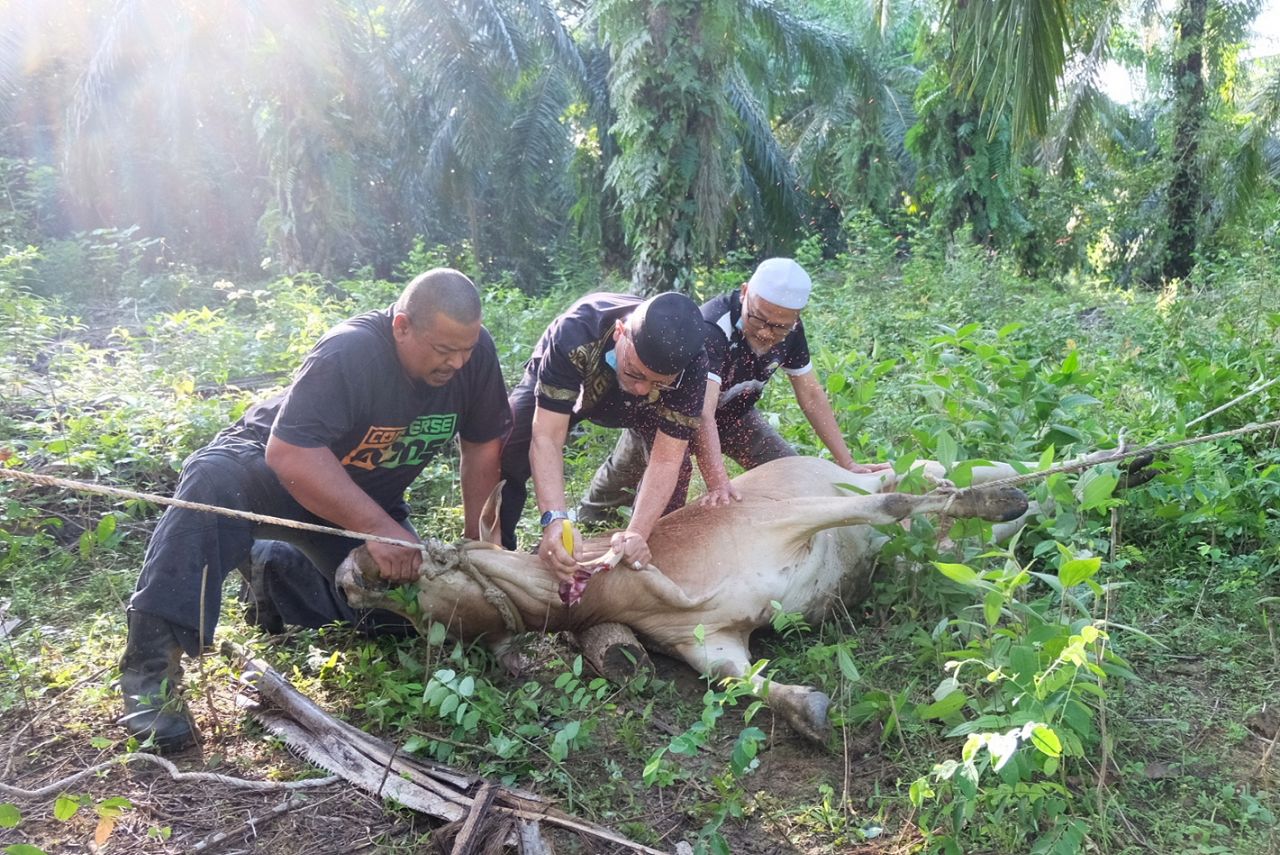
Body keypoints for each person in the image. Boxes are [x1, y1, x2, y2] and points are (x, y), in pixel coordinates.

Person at [119, 268, 512, 751]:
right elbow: (290, 455)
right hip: (269, 474)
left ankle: (275, 569)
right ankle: (150, 674)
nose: (456, 362)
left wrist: (478, 546)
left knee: (402, 620)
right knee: (211, 483)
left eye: (466, 349)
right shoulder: (350, 352)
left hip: (357, 498)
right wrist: (379, 529)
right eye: (442, 350)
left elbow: (482, 449)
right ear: (403, 326)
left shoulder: (474, 356)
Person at [579, 258, 889, 521]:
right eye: (759, 318)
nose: (767, 332)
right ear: (745, 293)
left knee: (790, 471)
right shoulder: (713, 328)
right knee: (660, 484)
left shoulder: (791, 332)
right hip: (672, 413)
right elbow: (702, 413)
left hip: (735, 414)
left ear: (796, 318)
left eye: (779, 326)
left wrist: (847, 463)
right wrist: (718, 481)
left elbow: (810, 395)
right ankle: (597, 523)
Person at [498, 292, 710, 580]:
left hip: (647, 412)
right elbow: (547, 437)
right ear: (621, 333)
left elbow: (666, 460)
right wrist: (554, 519)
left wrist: (638, 531)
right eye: (636, 373)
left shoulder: (693, 364)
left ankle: (638, 567)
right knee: (506, 449)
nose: (642, 389)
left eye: (658, 381)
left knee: (679, 477)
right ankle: (498, 556)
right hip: (577, 382)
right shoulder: (576, 335)